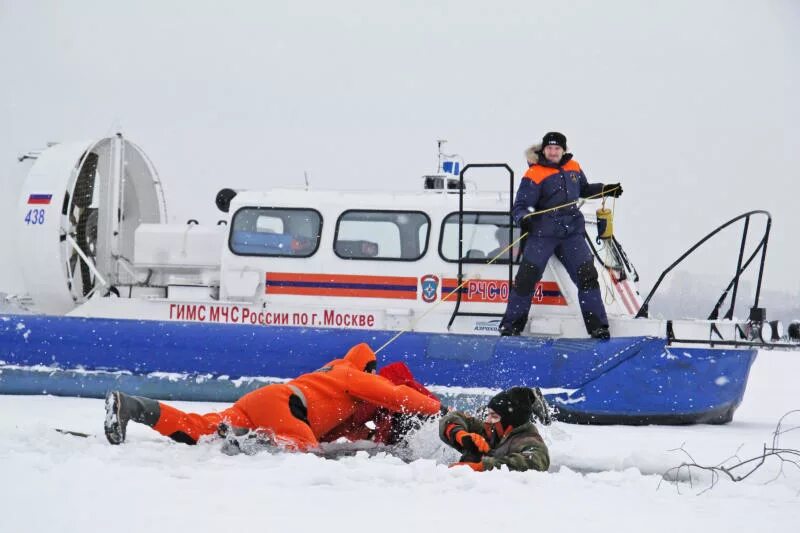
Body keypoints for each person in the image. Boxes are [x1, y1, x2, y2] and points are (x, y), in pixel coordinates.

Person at [104, 343, 442, 450]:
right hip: (287, 408)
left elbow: (346, 432)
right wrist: (439, 409)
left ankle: (131, 406)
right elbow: (399, 396)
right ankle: (246, 443)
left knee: (198, 430)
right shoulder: (351, 375)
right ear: (365, 366)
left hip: (264, 401)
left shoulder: (329, 382)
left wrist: (372, 439)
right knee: (305, 453)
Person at [499, 132, 622, 338]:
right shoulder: (534, 173)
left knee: (587, 276)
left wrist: (605, 189)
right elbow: (519, 207)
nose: (553, 152)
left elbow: (584, 189)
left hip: (571, 233)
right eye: (549, 148)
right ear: (543, 150)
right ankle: (511, 326)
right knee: (526, 279)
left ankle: (598, 327)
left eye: (557, 148)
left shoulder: (573, 167)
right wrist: (525, 218)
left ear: (563, 150)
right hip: (542, 234)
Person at [439, 387, 551, 472]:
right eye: (489, 414)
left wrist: (483, 467)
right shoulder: (488, 429)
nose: (487, 420)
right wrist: (460, 435)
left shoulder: (529, 440)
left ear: (509, 422)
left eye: (494, 416)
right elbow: (452, 417)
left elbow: (536, 462)